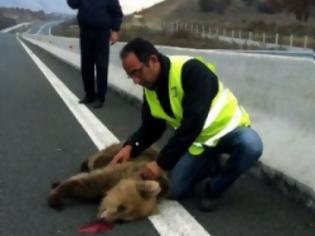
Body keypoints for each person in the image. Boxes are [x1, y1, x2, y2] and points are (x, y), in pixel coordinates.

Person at [111, 38, 263, 212]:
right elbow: (152, 127)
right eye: (130, 75)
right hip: (198, 142)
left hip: (229, 131)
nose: (135, 81)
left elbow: (193, 123)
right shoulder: (151, 89)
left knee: (252, 146)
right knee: (174, 190)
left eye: (137, 72)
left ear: (153, 60)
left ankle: (214, 189)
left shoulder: (191, 70)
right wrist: (131, 147)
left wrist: (161, 164)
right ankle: (209, 165)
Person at [67, 0, 123, 108]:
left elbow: (117, 13)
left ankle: (100, 97)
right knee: (86, 65)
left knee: (101, 65)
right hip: (85, 33)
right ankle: (89, 95)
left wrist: (115, 30)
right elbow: (73, 4)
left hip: (102, 33)